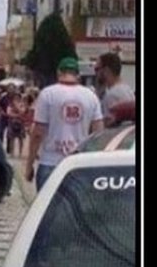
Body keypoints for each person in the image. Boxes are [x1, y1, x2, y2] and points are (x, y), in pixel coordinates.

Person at [25, 56, 104, 191]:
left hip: (50, 162)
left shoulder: (47, 94)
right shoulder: (91, 96)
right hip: (78, 164)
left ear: (59, 72)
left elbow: (37, 133)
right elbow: (99, 133)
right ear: (78, 75)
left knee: (48, 204)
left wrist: (29, 164)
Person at [95, 51, 135, 127]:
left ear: (106, 70)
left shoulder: (112, 95)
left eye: (97, 69)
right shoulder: (128, 90)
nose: (96, 73)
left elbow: (107, 125)